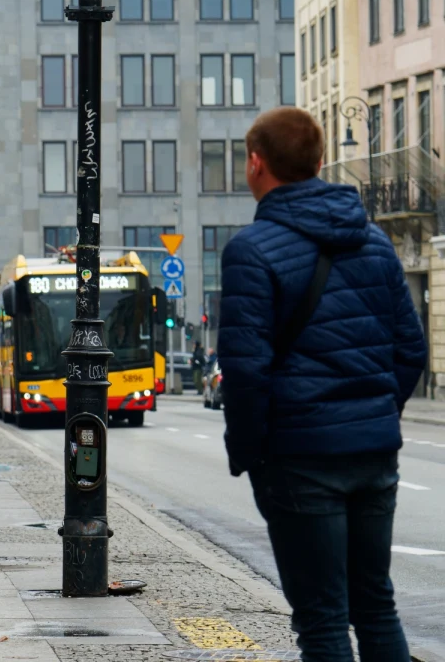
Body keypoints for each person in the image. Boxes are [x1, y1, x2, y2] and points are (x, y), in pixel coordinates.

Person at [219, 107, 427, 662]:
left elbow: (245, 370)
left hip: (301, 458)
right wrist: (376, 413)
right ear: (318, 162)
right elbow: (411, 350)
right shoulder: (375, 243)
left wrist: (250, 452)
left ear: (256, 164)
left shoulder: (252, 250)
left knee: (322, 619)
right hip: (373, 453)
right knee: (376, 605)